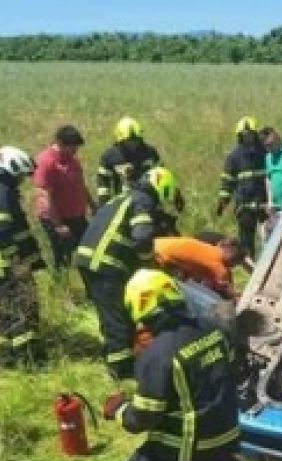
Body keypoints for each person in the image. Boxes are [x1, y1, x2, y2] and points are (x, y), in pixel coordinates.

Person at [103, 269, 239, 461]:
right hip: (226, 434)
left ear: (141, 309)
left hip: (191, 444)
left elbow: (143, 419)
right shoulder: (211, 331)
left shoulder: (159, 355)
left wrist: (120, 410)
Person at [75, 166, 182, 380]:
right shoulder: (143, 201)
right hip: (106, 264)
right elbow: (142, 237)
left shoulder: (124, 196)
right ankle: (121, 371)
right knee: (118, 318)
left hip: (90, 260)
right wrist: (150, 267)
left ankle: (117, 358)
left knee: (112, 314)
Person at [0, 146, 47, 364]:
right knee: (18, 307)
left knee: (15, 309)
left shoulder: (6, 192)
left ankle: (18, 354)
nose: (21, 181)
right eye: (19, 176)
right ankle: (25, 358)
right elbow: (5, 230)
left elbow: (19, 231)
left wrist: (32, 259)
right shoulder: (3, 193)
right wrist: (16, 261)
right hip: (6, 264)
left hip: (9, 262)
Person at [33, 125, 95, 268]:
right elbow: (45, 196)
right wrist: (58, 224)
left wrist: (92, 204)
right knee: (63, 256)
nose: (75, 151)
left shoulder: (73, 160)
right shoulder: (45, 162)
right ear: (60, 144)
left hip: (77, 216)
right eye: (72, 148)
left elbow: (80, 185)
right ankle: (61, 284)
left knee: (88, 248)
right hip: (57, 218)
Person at [216, 116, 267, 259]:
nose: (248, 138)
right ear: (239, 136)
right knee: (246, 243)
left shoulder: (265, 153)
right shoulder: (234, 156)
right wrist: (223, 201)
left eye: (250, 135)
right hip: (244, 207)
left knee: (270, 239)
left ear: (255, 134)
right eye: (244, 136)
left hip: (264, 205)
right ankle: (250, 269)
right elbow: (227, 181)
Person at [154, 236, 249, 299]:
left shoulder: (209, 248)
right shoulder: (220, 268)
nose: (235, 267)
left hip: (155, 244)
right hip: (158, 258)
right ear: (234, 259)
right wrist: (240, 295)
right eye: (237, 263)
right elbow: (230, 295)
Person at [96, 116, 162, 206]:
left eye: (136, 140)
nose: (133, 144)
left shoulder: (150, 153)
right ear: (120, 140)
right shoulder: (110, 157)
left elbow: (162, 175)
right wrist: (103, 203)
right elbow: (103, 181)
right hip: (123, 204)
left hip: (149, 202)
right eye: (129, 141)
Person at [260, 127, 282, 239]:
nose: (270, 148)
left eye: (271, 144)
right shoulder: (268, 157)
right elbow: (269, 179)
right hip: (275, 209)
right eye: (266, 146)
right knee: (268, 235)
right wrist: (270, 202)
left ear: (277, 138)